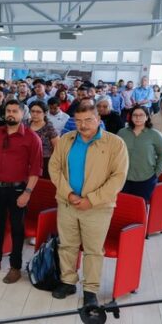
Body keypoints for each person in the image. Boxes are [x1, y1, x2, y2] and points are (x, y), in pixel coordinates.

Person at [49, 103, 129, 307]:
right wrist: (68, 194)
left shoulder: (115, 143)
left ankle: (90, 289)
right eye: (78, 121)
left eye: (88, 120)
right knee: (67, 245)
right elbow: (54, 168)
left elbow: (118, 178)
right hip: (67, 203)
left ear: (98, 120)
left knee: (93, 250)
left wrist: (90, 200)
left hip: (97, 208)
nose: (83, 125)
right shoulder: (66, 140)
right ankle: (68, 281)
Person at [0, 100, 43, 283]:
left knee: (17, 229)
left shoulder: (31, 138)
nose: (11, 114)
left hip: (19, 190)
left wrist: (27, 193)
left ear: (23, 114)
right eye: (8, 111)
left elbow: (36, 169)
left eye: (15, 111)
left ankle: (15, 267)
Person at [118, 106, 162, 203]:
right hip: (124, 177)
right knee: (124, 206)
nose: (138, 118)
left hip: (146, 178)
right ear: (130, 117)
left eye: (141, 115)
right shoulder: (122, 133)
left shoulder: (155, 134)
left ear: (147, 117)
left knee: (140, 209)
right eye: (135, 115)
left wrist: (157, 173)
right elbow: (116, 153)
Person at [27, 101, 58, 179]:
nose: (34, 114)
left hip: (45, 162)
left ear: (45, 113)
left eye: (38, 112)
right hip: (27, 161)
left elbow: (57, 147)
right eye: (32, 111)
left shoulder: (49, 127)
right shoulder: (25, 125)